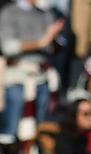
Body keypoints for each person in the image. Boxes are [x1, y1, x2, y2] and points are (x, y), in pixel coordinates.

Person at [0, 0, 64, 136]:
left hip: (41, 78)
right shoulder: (9, 13)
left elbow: (51, 48)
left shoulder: (45, 14)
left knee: (38, 130)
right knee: (11, 130)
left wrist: (55, 39)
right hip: (17, 79)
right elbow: (8, 47)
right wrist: (41, 42)